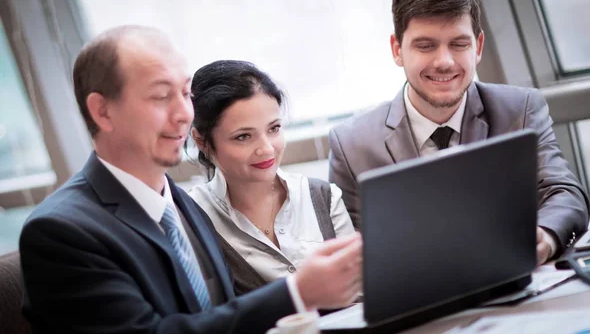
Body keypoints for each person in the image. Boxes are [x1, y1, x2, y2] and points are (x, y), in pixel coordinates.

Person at [19, 25, 363, 334]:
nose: (184, 114)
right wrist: (296, 293)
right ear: (102, 111)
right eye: (160, 95)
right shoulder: (60, 232)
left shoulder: (180, 205)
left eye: (185, 94)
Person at [328, 0, 590, 265]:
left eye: (459, 44)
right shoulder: (351, 145)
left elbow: (565, 193)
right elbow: (350, 257)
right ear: (397, 49)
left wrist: (544, 237)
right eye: (425, 46)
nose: (444, 61)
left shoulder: (521, 109)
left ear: (477, 47)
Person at [187, 60, 356, 295]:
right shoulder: (189, 218)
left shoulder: (324, 198)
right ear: (202, 141)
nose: (266, 149)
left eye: (274, 128)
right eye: (243, 136)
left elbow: (359, 295)